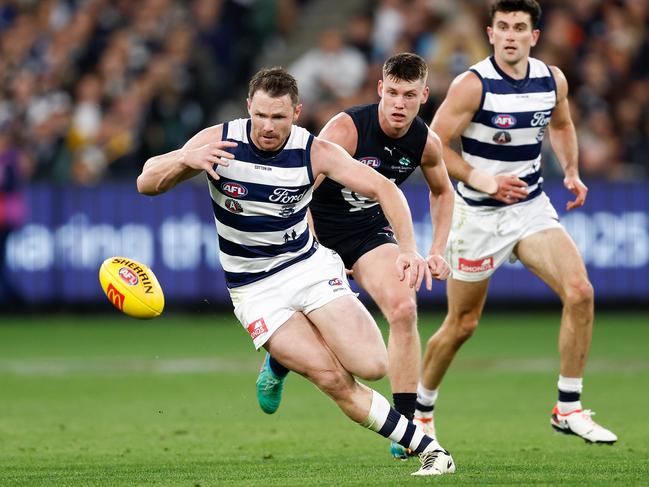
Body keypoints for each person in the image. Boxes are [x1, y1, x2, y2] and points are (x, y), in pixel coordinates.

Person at [137, 67, 455, 475]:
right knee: (333, 379)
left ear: (297, 113)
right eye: (262, 115)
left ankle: (292, 347)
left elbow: (385, 188)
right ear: (249, 106)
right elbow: (146, 182)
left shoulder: (314, 151)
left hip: (308, 268)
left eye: (280, 118)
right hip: (255, 290)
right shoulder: (219, 140)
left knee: (374, 365)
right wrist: (185, 158)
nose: (268, 127)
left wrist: (409, 249)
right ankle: (430, 450)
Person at [416, 0, 617, 444]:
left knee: (581, 292)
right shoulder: (473, 85)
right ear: (490, 34)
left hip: (530, 208)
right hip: (478, 217)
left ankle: (568, 407)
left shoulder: (551, 79)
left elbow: (561, 125)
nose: (510, 35)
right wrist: (480, 177)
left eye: (518, 27)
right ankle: (420, 413)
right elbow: (432, 146)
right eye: (502, 27)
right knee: (462, 325)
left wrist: (570, 170)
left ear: (534, 36)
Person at [256, 53, 455, 460]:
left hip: (367, 232)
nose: (400, 104)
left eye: (410, 95)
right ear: (381, 89)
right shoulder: (347, 128)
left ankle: (405, 427)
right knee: (322, 313)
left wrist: (435, 250)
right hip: (315, 230)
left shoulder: (425, 142)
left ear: (424, 96)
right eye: (394, 93)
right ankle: (280, 361)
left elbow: (443, 192)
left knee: (403, 307)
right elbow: (300, 189)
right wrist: (312, 249)